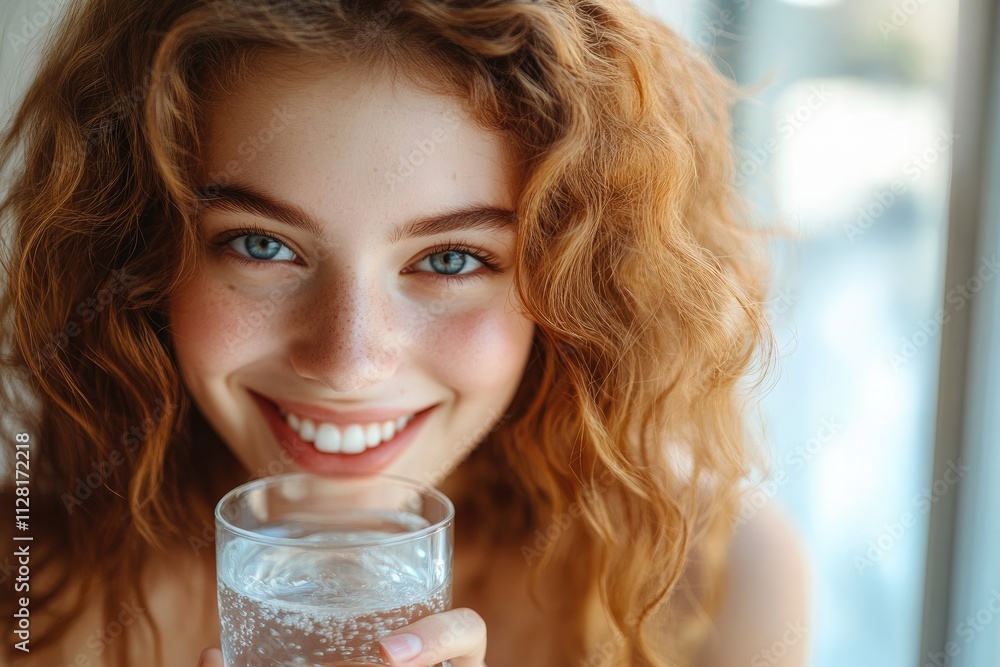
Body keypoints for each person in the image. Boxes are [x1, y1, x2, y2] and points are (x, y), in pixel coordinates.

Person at [0, 0, 809, 665]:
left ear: (576, 281)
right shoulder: (26, 580)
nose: (348, 363)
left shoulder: (718, 584)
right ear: (141, 254)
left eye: (451, 258)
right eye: (261, 244)